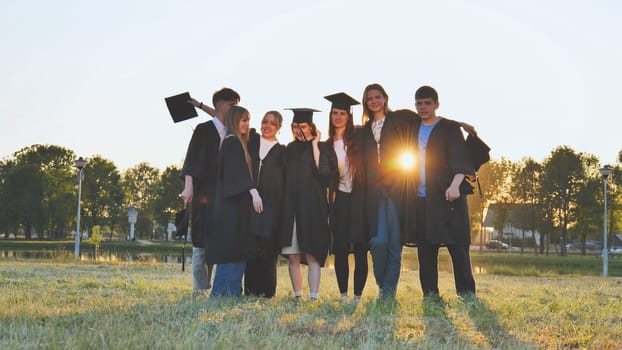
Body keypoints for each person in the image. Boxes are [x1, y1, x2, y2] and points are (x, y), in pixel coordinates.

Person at [412, 85, 476, 297]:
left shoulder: (449, 129)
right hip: (423, 198)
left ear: (436, 104)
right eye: (419, 103)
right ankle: (430, 294)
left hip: (448, 195)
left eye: (427, 103)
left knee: (457, 246)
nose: (423, 107)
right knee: (426, 249)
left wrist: (455, 185)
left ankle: (466, 293)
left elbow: (461, 160)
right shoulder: (413, 127)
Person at [180, 87, 240, 295]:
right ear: (221, 105)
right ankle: (200, 289)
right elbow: (191, 159)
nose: (236, 109)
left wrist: (198, 105)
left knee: (220, 242)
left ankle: (217, 287)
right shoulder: (203, 129)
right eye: (233, 105)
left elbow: (219, 117)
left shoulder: (233, 130)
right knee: (201, 244)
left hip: (226, 197)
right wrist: (188, 188)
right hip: (205, 193)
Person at [360, 83, 418, 299]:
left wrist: (454, 124)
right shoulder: (364, 130)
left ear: (385, 98)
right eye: (369, 98)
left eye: (377, 97)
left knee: (395, 243)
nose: (374, 101)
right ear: (365, 102)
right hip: (373, 193)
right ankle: (383, 285)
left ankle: (387, 293)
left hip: (397, 189)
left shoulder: (400, 119)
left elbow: (427, 121)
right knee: (378, 241)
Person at [205, 105, 264, 297]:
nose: (247, 124)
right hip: (231, 208)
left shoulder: (235, 142)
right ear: (234, 121)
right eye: (243, 120)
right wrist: (254, 191)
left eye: (248, 120)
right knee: (232, 250)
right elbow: (236, 173)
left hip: (235, 206)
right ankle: (223, 295)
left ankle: (229, 294)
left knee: (236, 250)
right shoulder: (231, 143)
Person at [280, 108, 336, 300]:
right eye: (295, 126)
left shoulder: (322, 147)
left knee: (312, 254)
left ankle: (313, 296)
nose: (298, 130)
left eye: (302, 126)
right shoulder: (289, 148)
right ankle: (297, 296)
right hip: (291, 208)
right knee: (294, 255)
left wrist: (314, 144)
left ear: (311, 127)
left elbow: (324, 175)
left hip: (313, 208)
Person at [324, 92, 368, 302]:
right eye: (334, 113)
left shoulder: (359, 138)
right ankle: (343, 295)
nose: (338, 117)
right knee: (340, 248)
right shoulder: (326, 145)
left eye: (342, 113)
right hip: (340, 199)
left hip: (360, 199)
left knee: (360, 249)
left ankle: (357, 296)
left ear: (349, 116)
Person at [244, 111, 286, 298]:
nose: (267, 126)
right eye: (264, 122)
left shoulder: (283, 151)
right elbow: (229, 119)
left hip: (272, 206)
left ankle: (268, 293)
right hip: (249, 201)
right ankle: (250, 291)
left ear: (279, 127)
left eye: (272, 123)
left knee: (268, 251)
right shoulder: (251, 140)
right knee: (251, 249)